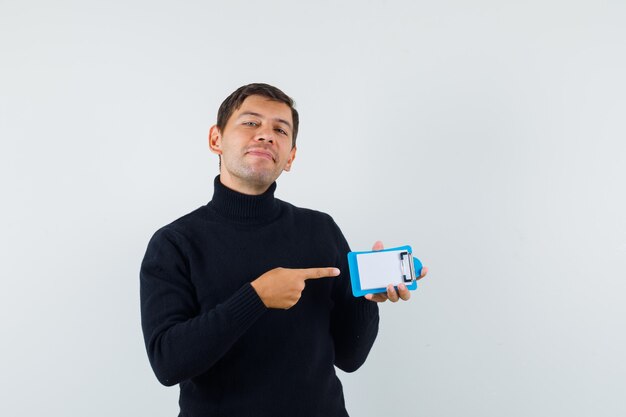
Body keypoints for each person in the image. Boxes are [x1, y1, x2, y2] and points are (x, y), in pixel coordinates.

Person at [140, 83, 428, 416]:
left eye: (280, 129)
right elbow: (167, 363)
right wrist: (256, 297)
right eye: (250, 122)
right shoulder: (175, 243)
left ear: (290, 156)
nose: (265, 135)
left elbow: (351, 357)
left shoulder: (321, 230)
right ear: (215, 139)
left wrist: (366, 302)